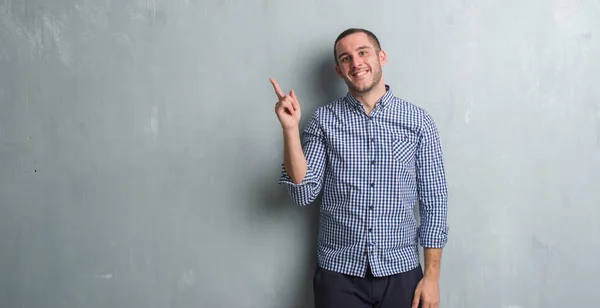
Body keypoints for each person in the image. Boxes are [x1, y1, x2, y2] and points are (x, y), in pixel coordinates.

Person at [270, 28, 449, 308]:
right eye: (346, 58)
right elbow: (302, 193)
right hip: (338, 274)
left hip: (401, 271)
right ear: (339, 71)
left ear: (381, 57)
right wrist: (290, 129)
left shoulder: (418, 122)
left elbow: (434, 200)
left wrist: (432, 277)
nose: (356, 63)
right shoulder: (323, 121)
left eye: (363, 52)